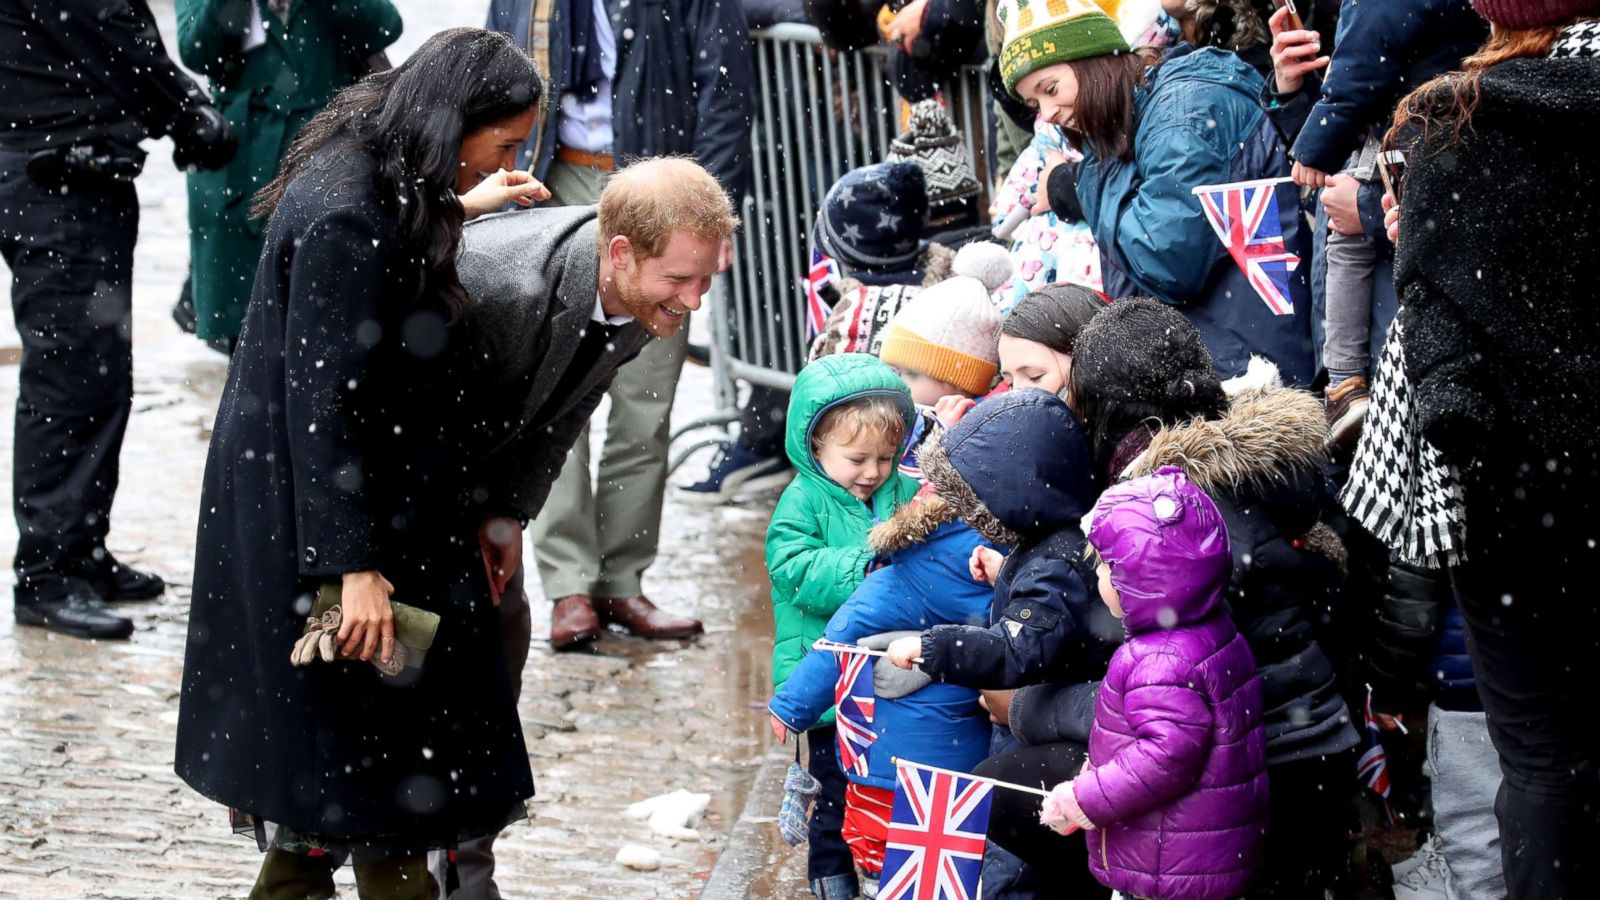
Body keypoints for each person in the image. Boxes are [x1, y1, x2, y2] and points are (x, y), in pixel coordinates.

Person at [174, 29, 551, 898]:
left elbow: (389, 285)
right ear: (452, 121)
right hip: (331, 522)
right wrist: (353, 570)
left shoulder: (376, 170)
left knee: (352, 779)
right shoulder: (349, 212)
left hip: (369, 507)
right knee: (357, 771)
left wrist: (464, 206)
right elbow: (325, 408)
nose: (506, 160)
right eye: (499, 146)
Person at [451, 158, 741, 899]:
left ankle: (464, 861)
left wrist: (508, 515)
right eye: (682, 279)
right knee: (403, 679)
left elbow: (560, 416)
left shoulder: (644, 300)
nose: (695, 301)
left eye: (707, 280)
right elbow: (410, 423)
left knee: (497, 655)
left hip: (474, 486)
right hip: (402, 484)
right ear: (621, 255)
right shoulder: (507, 286)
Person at [1382, 6, 1600, 895]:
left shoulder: (1456, 120)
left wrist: (1422, 251)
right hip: (1537, 493)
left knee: (1543, 762)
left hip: (1520, 506)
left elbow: (1446, 367)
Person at [486, 0, 753, 650]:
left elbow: (725, 90)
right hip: (554, 178)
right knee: (550, 389)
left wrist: (711, 213)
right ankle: (568, 584)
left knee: (649, 398)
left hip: (662, 190)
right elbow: (495, 72)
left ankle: (621, 579)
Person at [1073, 298, 1360, 899]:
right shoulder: (1267, 465)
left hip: (1252, 764)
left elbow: (1145, 667)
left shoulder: (1171, 507)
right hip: (1323, 733)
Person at [1, 0, 236, 639]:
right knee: (70, 379)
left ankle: (78, 549)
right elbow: (104, 25)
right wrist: (188, 114)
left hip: (70, 164)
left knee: (98, 377)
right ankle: (49, 573)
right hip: (54, 171)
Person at [997, 0, 1316, 384]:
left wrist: (1088, 181)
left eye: (1051, 89)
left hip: (1250, 379)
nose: (1047, 112)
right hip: (1226, 365)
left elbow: (1166, 259)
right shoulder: (1139, 120)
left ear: (1092, 63)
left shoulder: (1183, 114)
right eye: (1035, 102)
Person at [885, 388, 1117, 896]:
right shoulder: (1051, 542)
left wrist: (935, 648)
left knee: (996, 798)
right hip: (1053, 712)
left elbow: (1022, 647)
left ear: (1019, 492)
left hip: (1056, 720)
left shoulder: (1054, 558)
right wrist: (1005, 571)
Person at [1041, 467, 1269, 900]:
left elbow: (1166, 756)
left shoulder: (1159, 660)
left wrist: (1084, 799)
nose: (1099, 580)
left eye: (1107, 569)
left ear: (1142, 581)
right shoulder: (1211, 629)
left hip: (1169, 864)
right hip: (1204, 849)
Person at [1265, 0, 1485, 447]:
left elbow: (1357, 83)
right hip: (1380, 320)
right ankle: (1344, 384)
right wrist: (1292, 94)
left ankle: (1345, 382)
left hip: (1409, 338)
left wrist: (1360, 204)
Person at [768, 485, 994, 884]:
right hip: (962, 765)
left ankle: (875, 884)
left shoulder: (893, 580)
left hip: (882, 758)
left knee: (879, 850)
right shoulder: (997, 572)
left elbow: (835, 643)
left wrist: (792, 707)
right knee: (951, 859)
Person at [767, 353, 921, 900]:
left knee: (886, 782)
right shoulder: (803, 499)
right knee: (836, 790)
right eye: (856, 458)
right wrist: (866, 563)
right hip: (827, 679)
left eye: (884, 456)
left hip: (890, 679)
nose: (873, 471)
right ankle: (831, 878)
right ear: (815, 448)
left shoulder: (904, 491)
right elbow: (792, 569)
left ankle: (888, 868)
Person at [175, 0, 404, 352]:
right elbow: (198, 52)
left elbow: (384, 26)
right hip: (242, 165)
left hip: (332, 154)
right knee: (247, 343)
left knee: (340, 323)